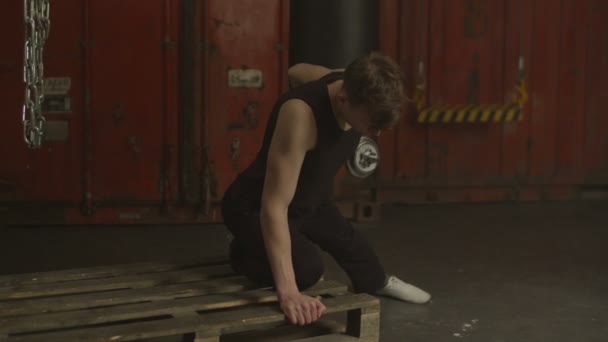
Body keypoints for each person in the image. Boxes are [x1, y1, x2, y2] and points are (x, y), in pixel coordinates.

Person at [221, 52, 431, 326]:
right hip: (254, 206)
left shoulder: (346, 80)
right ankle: (243, 253)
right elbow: (273, 206)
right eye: (370, 125)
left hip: (309, 198)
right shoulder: (299, 117)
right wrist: (289, 293)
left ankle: (377, 282)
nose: (375, 134)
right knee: (307, 271)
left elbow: (296, 70)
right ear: (343, 100)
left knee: (354, 247)